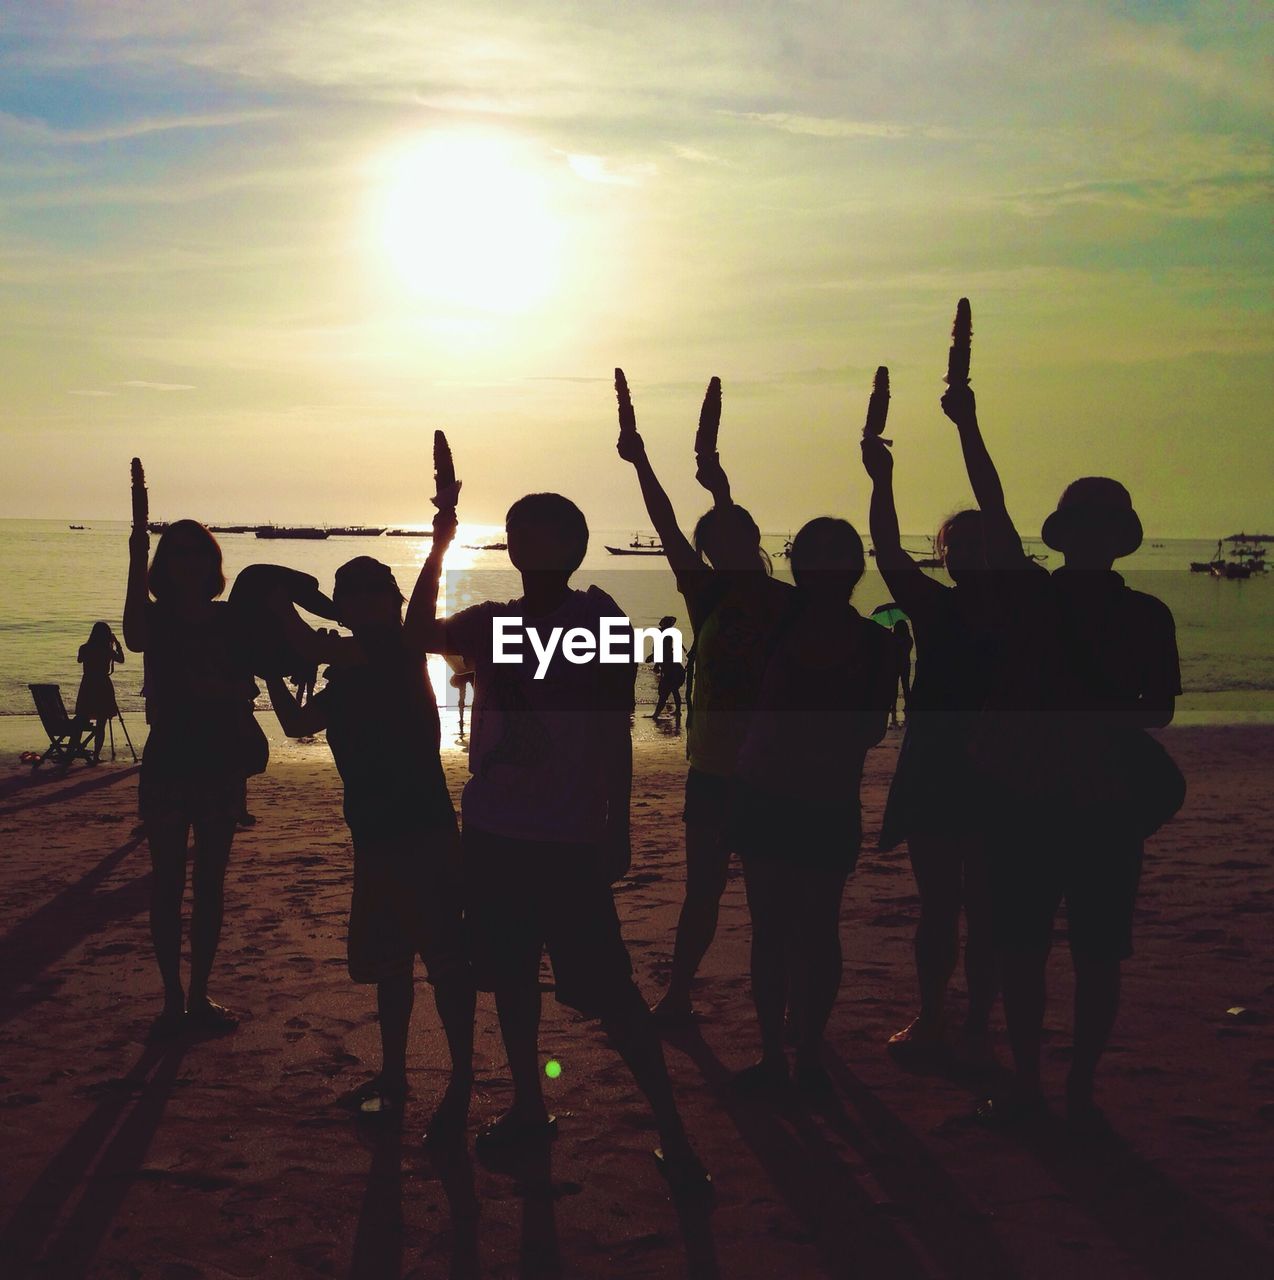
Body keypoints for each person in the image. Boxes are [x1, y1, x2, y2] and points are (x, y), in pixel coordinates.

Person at [422, 493, 710, 1190]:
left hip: (570, 839)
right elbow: (413, 637)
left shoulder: (597, 617)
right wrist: (439, 544)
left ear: (577, 546)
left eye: (554, 537)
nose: (538, 548)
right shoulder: (490, 624)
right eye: (524, 535)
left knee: (608, 991)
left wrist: (621, 822)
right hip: (493, 835)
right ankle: (529, 1103)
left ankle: (672, 1130)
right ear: (512, 548)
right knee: (511, 979)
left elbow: (615, 728)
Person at [945, 385, 1181, 1133]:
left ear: (1115, 537)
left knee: (1083, 953)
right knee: (1049, 951)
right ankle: (1047, 1088)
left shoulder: (1134, 612)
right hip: (1063, 800)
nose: (1091, 535)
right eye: (1085, 523)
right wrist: (968, 426)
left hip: (1072, 801)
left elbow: (1161, 709)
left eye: (1100, 524)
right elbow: (993, 500)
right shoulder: (1039, 596)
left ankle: (1064, 1088)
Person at [264, 495, 474, 1134]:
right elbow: (299, 724)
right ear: (344, 604)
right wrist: (272, 673)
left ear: (389, 600)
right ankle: (394, 1074)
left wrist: (440, 540)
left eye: (374, 592)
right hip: (375, 837)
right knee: (391, 967)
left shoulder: (402, 648)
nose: (365, 605)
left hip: (426, 831)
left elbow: (424, 591)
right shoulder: (345, 675)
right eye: (351, 596)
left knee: (445, 964)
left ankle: (461, 1080)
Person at [617, 385, 793, 1022]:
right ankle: (679, 994)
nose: (721, 548)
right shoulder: (706, 596)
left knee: (772, 903)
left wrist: (720, 492)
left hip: (776, 776)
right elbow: (667, 525)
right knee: (703, 893)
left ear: (752, 539)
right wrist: (639, 462)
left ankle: (779, 1016)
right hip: (713, 774)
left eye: (731, 537)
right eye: (712, 543)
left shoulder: (790, 606)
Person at [731, 518, 896, 1092]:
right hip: (786, 798)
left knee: (798, 929)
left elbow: (871, 728)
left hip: (810, 799)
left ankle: (800, 1056)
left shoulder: (867, 642)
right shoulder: (779, 624)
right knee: (785, 929)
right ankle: (787, 1055)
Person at [861, 426, 1002, 1060]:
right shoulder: (932, 606)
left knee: (989, 905)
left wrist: (966, 425)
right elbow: (887, 548)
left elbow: (993, 504)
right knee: (939, 903)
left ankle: (974, 1020)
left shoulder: (1018, 604)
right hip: (937, 766)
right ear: (941, 554)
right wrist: (882, 478)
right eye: (953, 543)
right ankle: (934, 1014)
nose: (964, 552)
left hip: (1002, 769)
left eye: (978, 542)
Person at [123, 465, 261, 1038]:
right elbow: (132, 636)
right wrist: (136, 541)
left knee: (209, 884)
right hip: (170, 760)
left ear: (212, 563)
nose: (188, 561)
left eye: (197, 552)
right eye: (176, 552)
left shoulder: (232, 618)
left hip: (221, 760)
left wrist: (219, 690)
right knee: (165, 883)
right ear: (162, 563)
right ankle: (171, 999)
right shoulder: (154, 619)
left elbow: (249, 686)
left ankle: (199, 996)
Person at [74, 621, 124, 762]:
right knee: (101, 722)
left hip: (88, 685)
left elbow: (79, 660)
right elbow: (121, 659)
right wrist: (117, 643)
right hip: (103, 685)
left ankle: (74, 749)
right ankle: (96, 754)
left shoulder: (84, 648)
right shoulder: (107, 650)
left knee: (81, 718)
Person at [889, 619, 913, 730]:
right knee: (903, 686)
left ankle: (896, 705)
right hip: (904, 665)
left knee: (898, 686)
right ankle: (905, 705)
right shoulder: (907, 639)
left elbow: (899, 649)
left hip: (897, 665)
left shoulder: (904, 640)